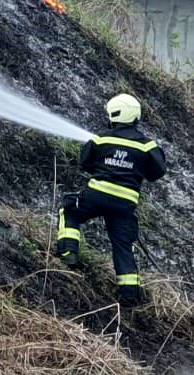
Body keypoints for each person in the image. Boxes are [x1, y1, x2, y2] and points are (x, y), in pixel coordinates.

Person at [55, 93, 167, 307]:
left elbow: (86, 162)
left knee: (70, 211)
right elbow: (157, 172)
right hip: (125, 204)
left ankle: (69, 251)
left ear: (115, 115)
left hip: (96, 195)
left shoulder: (101, 139)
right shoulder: (147, 146)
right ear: (135, 116)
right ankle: (129, 295)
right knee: (122, 246)